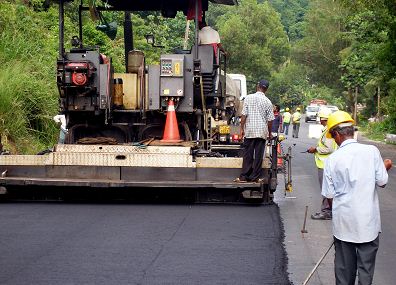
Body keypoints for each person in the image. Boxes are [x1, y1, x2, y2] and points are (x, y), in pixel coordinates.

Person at [322, 110, 389, 285]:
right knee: (366, 271)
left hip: (344, 225)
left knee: (344, 273)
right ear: (352, 131)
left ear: (336, 134)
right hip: (368, 224)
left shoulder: (332, 159)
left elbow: (330, 196)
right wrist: (385, 166)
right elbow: (382, 181)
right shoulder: (372, 151)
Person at [234, 79, 274, 183]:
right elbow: (270, 121)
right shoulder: (268, 102)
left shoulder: (248, 98)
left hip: (250, 131)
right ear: (266, 89)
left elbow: (244, 115)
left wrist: (242, 129)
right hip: (261, 132)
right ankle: (255, 177)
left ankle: (244, 177)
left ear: (258, 86)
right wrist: (269, 133)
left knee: (248, 154)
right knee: (258, 156)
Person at [307, 108, 337, 220]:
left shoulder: (329, 132)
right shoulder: (327, 130)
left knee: (326, 189)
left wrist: (316, 149)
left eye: (321, 119)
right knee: (328, 188)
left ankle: (326, 211)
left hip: (325, 165)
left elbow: (329, 148)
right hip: (326, 164)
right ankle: (330, 210)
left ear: (323, 119)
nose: (320, 121)